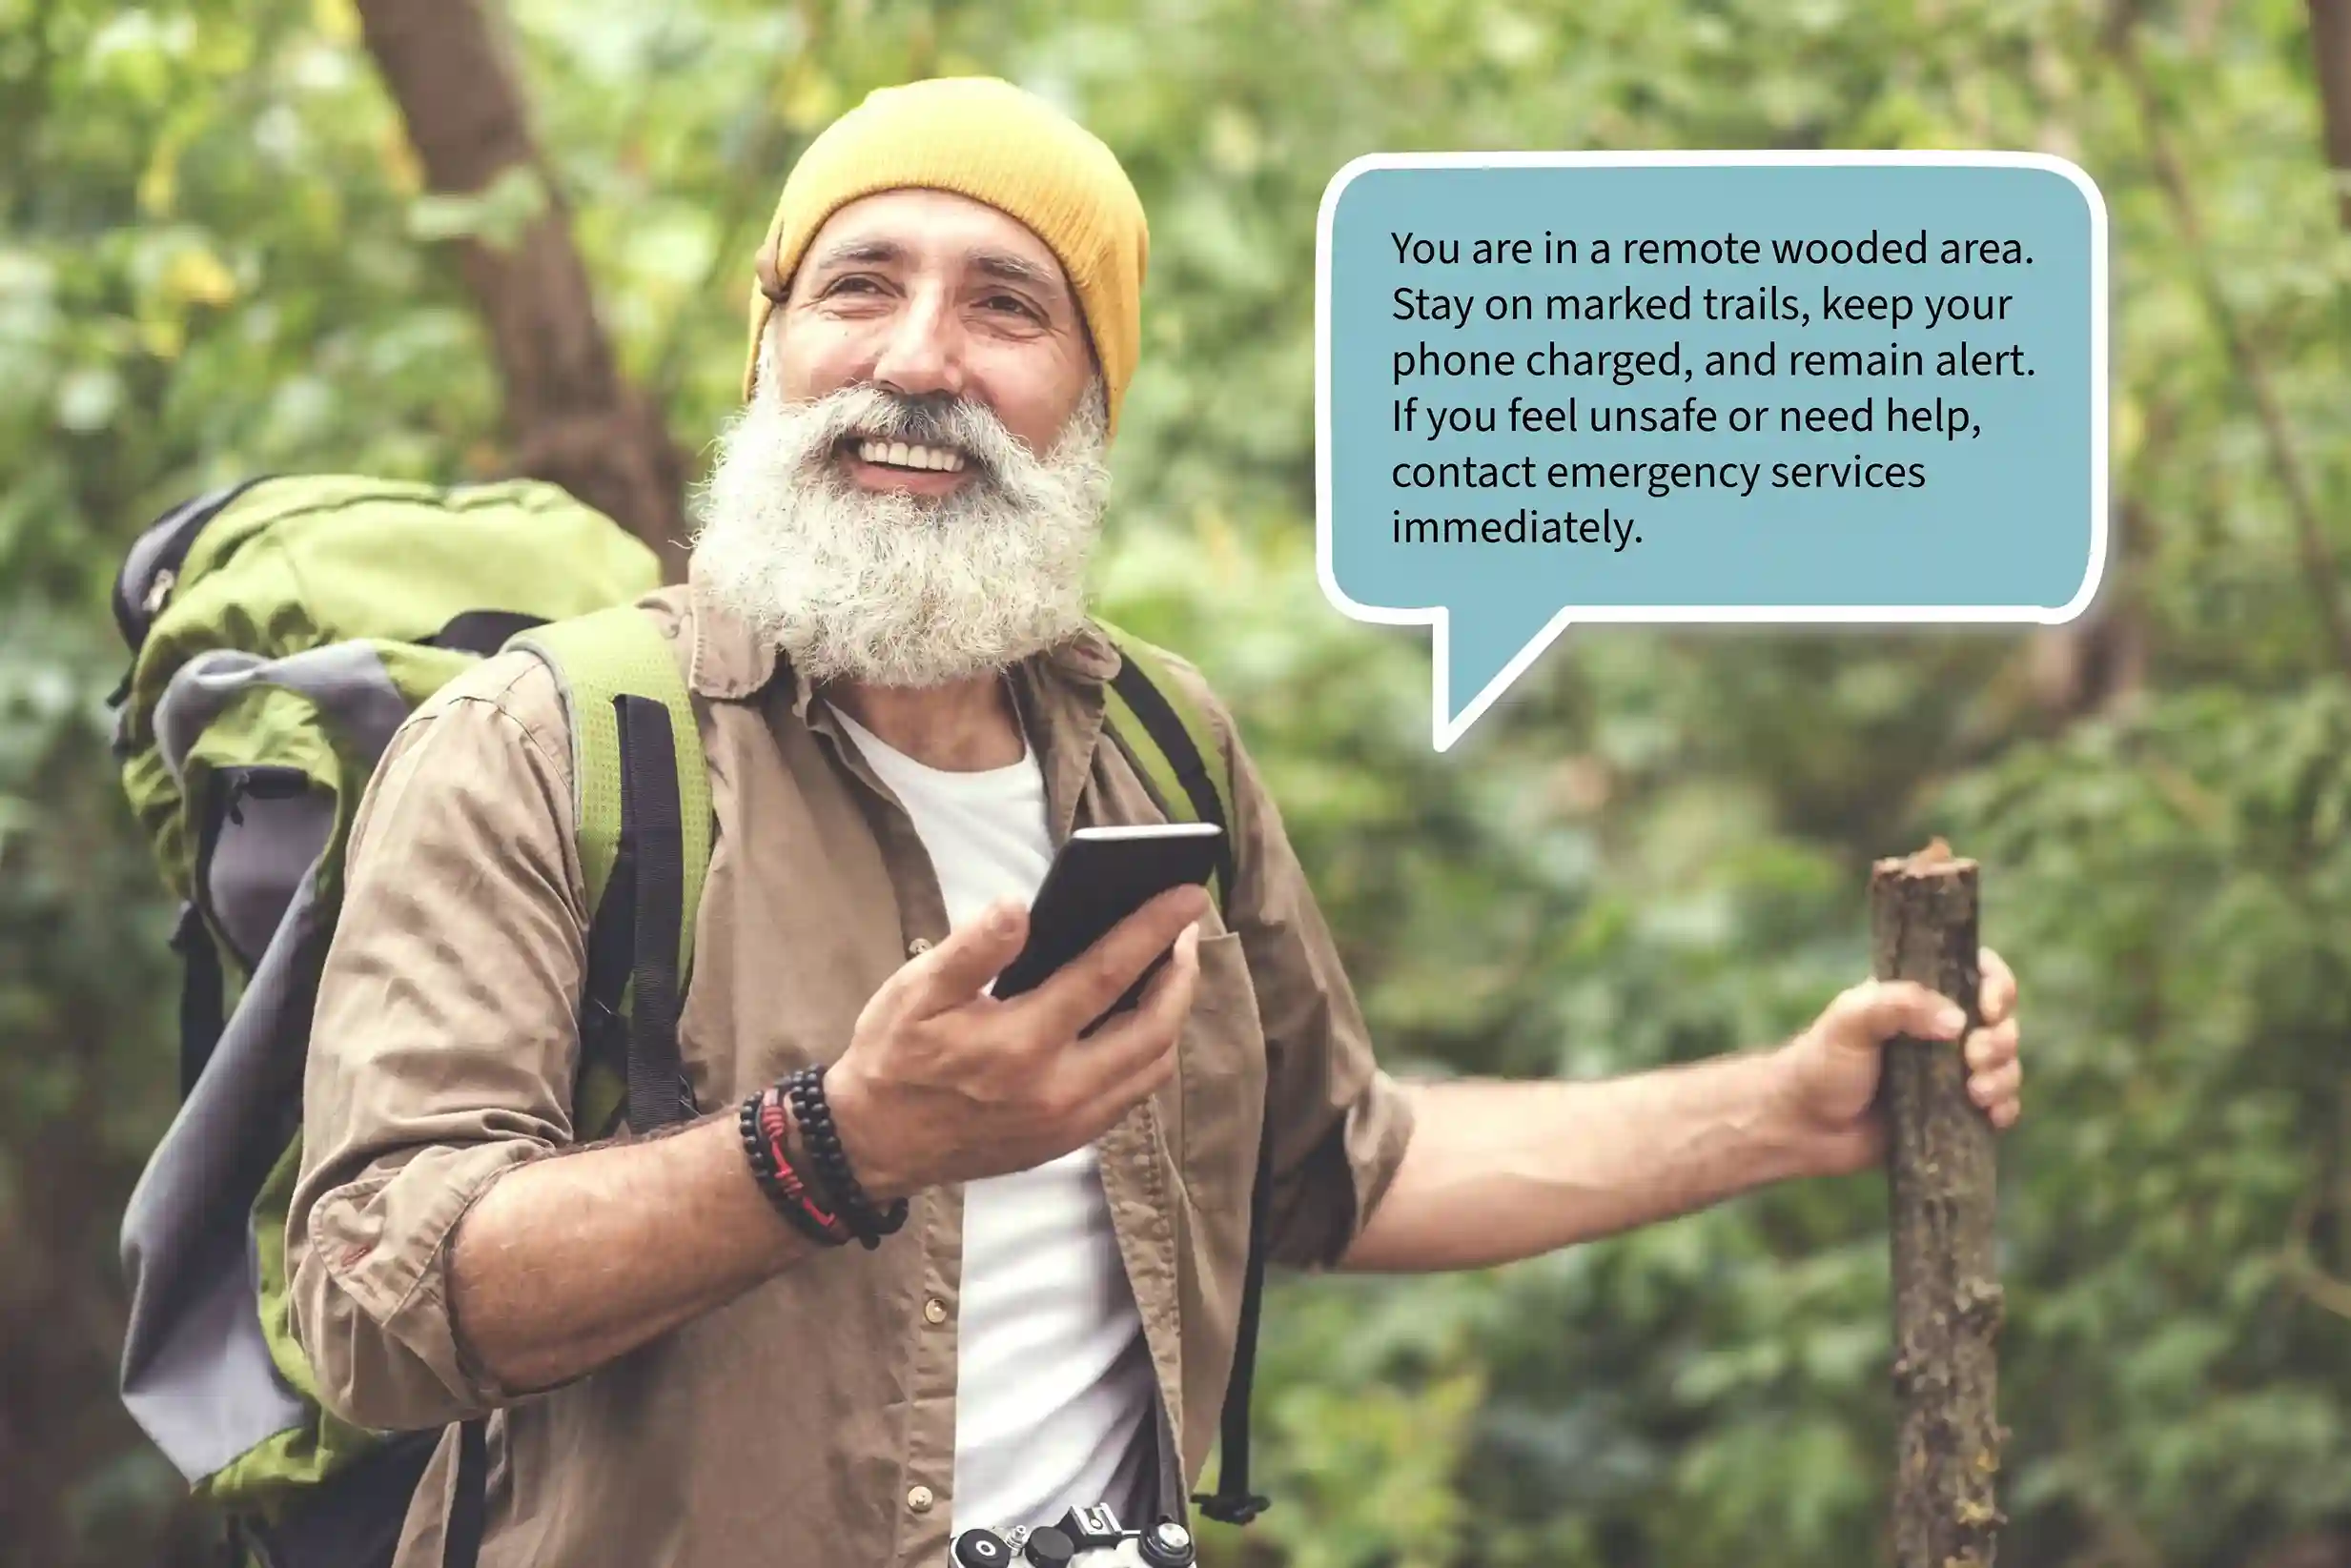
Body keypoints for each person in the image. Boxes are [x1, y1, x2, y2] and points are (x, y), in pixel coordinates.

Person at [286, 75, 2025, 1568]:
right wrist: (841, 1145)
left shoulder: (1159, 750)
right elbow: (372, 1305)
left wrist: (1780, 1113)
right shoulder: (543, 746)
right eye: (857, 287)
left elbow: (1345, 1173)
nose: (915, 359)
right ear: (770, 353)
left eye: (1004, 307)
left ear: (1089, 402)